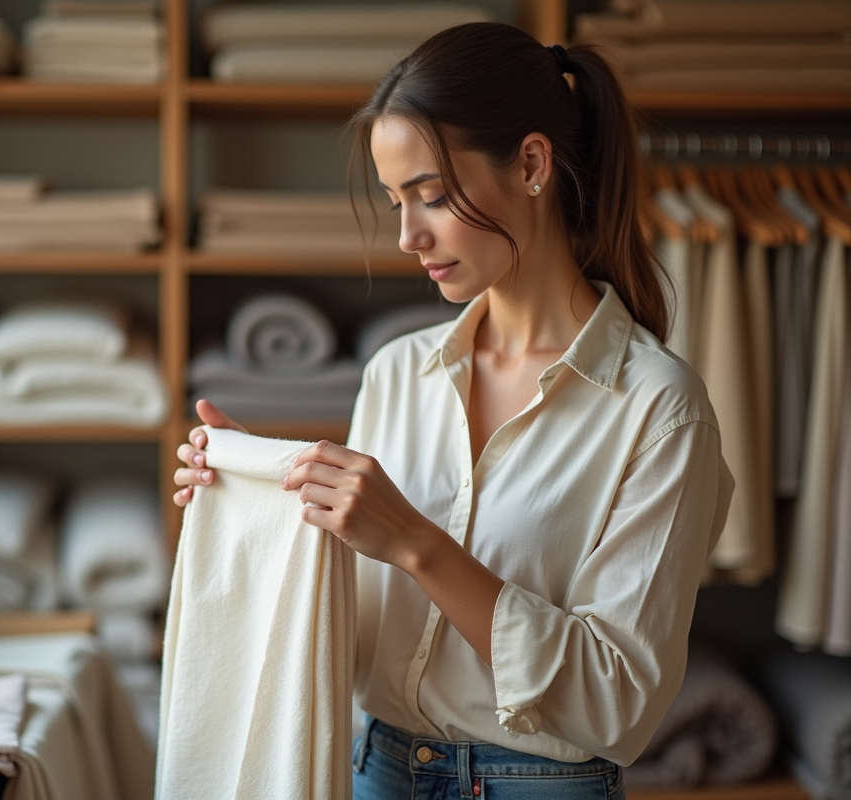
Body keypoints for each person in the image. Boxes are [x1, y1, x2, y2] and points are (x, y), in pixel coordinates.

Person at [173, 22, 732, 800]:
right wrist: (261, 493)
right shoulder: (399, 373)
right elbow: (354, 625)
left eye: (431, 196)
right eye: (396, 200)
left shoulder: (660, 410)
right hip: (378, 770)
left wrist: (414, 541)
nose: (407, 235)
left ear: (532, 164)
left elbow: (617, 700)